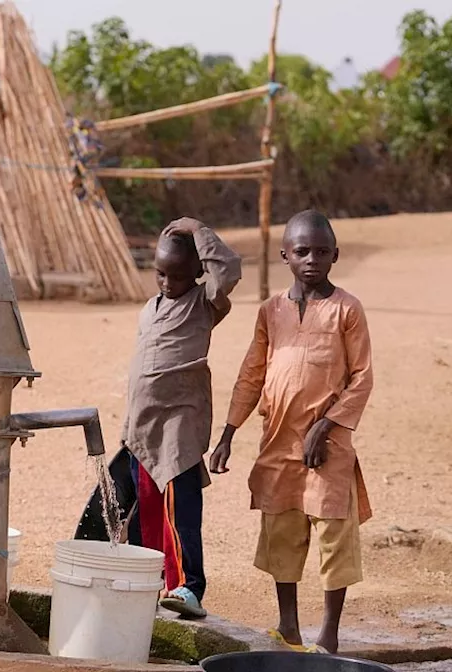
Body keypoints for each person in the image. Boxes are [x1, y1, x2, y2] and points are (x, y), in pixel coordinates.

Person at [209, 209, 374, 655]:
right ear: (285, 255)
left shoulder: (347, 309)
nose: (312, 260)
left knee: (334, 534)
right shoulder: (270, 311)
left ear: (335, 255)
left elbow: (362, 377)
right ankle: (289, 626)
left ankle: (330, 634)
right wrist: (227, 433)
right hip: (278, 440)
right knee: (282, 529)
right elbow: (251, 373)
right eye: (302, 251)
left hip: (329, 445)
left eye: (322, 252)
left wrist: (329, 423)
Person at [73, 217, 241, 620]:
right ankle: (152, 581)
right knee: (145, 510)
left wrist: (199, 230)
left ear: (198, 273)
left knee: (179, 510)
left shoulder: (205, 304)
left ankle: (189, 586)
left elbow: (229, 270)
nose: (167, 283)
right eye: (161, 274)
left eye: (178, 276)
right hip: (142, 429)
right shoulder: (151, 307)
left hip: (177, 429)